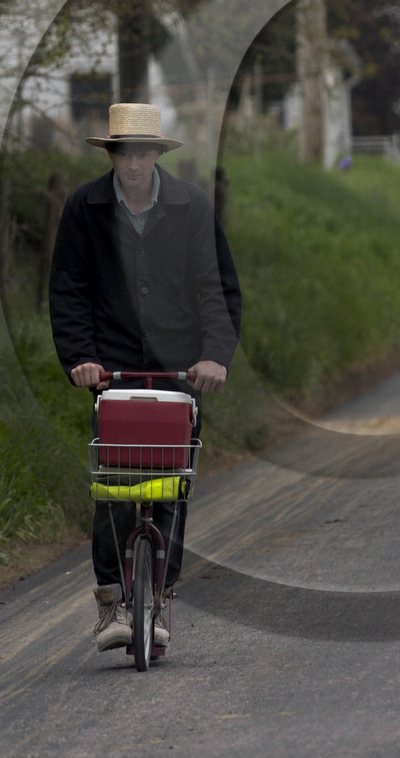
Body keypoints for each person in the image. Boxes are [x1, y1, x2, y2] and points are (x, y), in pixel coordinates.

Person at [49, 102, 241, 653]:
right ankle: (112, 600)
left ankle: (160, 596)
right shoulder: (83, 207)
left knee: (172, 483)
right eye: (123, 153)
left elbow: (216, 288)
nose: (133, 164)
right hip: (111, 364)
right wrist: (79, 358)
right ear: (111, 155)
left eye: (143, 153)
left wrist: (216, 356)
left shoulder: (190, 205)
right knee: (113, 479)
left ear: (157, 154)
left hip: (181, 364)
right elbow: (69, 292)